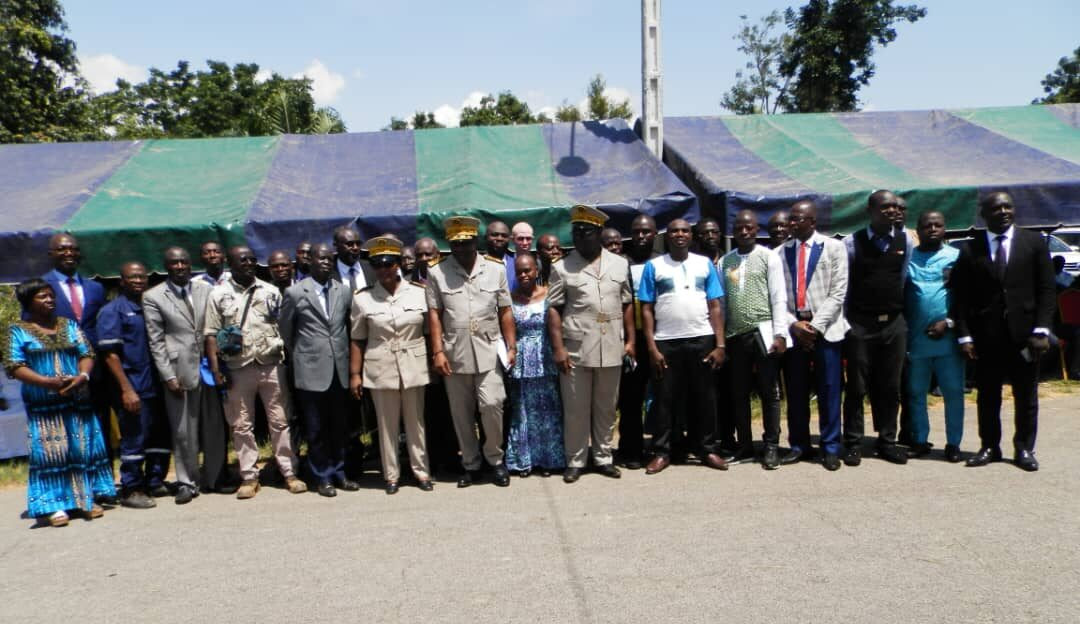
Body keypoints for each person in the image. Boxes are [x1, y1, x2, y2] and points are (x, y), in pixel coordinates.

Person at [952, 191, 1055, 471]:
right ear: (984, 214)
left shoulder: (1033, 242)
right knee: (987, 395)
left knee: (1026, 395)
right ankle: (989, 446)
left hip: (1026, 337)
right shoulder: (970, 249)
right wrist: (964, 335)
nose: (1003, 212)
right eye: (996, 208)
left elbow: (1047, 290)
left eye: (1007, 207)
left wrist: (1042, 330)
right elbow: (960, 297)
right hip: (987, 337)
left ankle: (1024, 448)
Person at [2, 279, 115, 527]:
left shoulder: (68, 325)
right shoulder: (17, 330)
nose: (50, 300)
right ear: (28, 301)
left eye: (51, 295)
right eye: (42, 296)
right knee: (51, 452)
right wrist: (46, 382)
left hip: (77, 398)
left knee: (81, 448)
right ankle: (54, 505)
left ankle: (86, 499)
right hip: (44, 404)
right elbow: (14, 365)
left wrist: (82, 376)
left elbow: (87, 353)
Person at [204, 246, 306, 498]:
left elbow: (282, 326)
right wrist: (216, 369)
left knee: (280, 421)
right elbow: (211, 334)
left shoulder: (270, 291)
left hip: (271, 363)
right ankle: (249, 477)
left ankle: (289, 472)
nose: (249, 263)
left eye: (252, 259)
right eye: (243, 260)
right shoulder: (218, 294)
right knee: (241, 424)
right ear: (231, 263)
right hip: (237, 367)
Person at [426, 216, 517, 488]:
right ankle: (471, 463)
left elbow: (505, 310)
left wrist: (511, 345)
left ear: (476, 241)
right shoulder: (437, 272)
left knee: (492, 404)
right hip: (455, 352)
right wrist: (437, 352)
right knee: (461, 413)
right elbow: (434, 314)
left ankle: (495, 459)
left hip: (489, 348)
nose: (461, 248)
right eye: (456, 244)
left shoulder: (495, 269)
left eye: (466, 243)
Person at [547, 205, 634, 483]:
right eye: (576, 232)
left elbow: (627, 303)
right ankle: (575, 460)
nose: (579, 237)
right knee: (576, 408)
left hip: (611, 343)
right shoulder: (561, 267)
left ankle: (603, 457)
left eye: (585, 232)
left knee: (606, 406)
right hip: (576, 347)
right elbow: (554, 309)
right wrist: (558, 348)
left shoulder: (619, 264)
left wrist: (631, 341)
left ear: (599, 233)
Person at [638, 218, 727, 474]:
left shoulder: (704, 264)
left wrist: (720, 344)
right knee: (665, 399)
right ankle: (662, 452)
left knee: (705, 397)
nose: (679, 234)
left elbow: (715, 306)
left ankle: (707, 449)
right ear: (667, 236)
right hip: (666, 341)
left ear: (691, 236)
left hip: (702, 338)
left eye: (685, 231)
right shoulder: (654, 266)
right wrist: (652, 348)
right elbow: (646, 309)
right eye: (674, 231)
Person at [143, 246, 231, 504]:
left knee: (215, 426)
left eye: (183, 262)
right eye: (174, 263)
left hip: (210, 367)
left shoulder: (206, 289)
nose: (180, 266)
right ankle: (186, 482)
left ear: (190, 264)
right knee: (183, 430)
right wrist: (168, 375)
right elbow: (156, 341)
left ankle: (215, 478)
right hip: (179, 370)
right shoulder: (153, 296)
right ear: (166, 266)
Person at [350, 237, 434, 494]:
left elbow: (429, 332)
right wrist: (355, 374)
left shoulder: (419, 292)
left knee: (415, 422)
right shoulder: (363, 298)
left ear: (398, 264)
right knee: (386, 425)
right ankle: (391, 475)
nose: (383, 269)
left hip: (413, 363)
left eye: (388, 264)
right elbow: (357, 338)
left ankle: (421, 471)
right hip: (381, 365)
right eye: (377, 265)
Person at [279, 243, 359, 497]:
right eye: (320, 258)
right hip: (311, 370)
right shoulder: (295, 292)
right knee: (316, 429)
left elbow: (349, 326)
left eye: (328, 258)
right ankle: (322, 476)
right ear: (309, 261)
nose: (325, 262)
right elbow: (286, 332)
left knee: (339, 426)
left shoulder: (343, 291)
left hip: (339, 369)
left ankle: (340, 472)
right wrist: (305, 355)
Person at [840, 190, 911, 466]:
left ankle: (887, 441)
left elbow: (902, 278)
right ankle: (853, 442)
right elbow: (844, 287)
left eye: (894, 206)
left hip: (893, 324)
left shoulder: (906, 240)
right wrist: (846, 324)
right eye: (885, 207)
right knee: (857, 387)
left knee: (890, 386)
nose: (892, 211)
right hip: (860, 324)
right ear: (870, 211)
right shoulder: (851, 243)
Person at [41, 233, 114, 501]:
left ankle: (102, 485)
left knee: (99, 426)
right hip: (60, 370)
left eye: (73, 248)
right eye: (62, 249)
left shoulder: (95, 288)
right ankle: (72, 489)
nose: (68, 253)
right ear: (51, 254)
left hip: (95, 370)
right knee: (66, 430)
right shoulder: (40, 287)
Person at [779, 200, 849, 471]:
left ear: (813, 221)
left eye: (798, 218)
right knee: (796, 391)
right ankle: (799, 445)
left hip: (826, 330)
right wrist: (795, 325)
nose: (792, 223)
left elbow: (838, 292)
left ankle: (830, 447)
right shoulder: (780, 252)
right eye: (791, 218)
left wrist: (814, 327)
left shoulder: (834, 247)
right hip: (795, 330)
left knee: (829, 390)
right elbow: (776, 297)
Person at [97, 262, 172, 508]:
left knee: (159, 435)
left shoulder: (150, 306)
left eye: (142, 277)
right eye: (132, 277)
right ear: (122, 281)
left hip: (157, 383)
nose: (138, 281)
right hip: (133, 385)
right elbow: (110, 354)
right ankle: (131, 488)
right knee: (134, 437)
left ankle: (154, 480)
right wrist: (126, 389)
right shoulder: (112, 311)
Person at [720, 210, 789, 469]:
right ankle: (745, 446)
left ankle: (771, 446)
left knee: (769, 392)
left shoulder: (768, 257)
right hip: (735, 335)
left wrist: (780, 334)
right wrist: (721, 339)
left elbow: (778, 297)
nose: (744, 231)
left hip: (764, 332)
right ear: (733, 231)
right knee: (739, 393)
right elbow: (722, 303)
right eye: (739, 227)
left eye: (749, 227)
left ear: (756, 229)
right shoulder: (725, 261)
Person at [904, 211, 965, 462]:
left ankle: (953, 444)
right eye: (926, 225)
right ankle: (920, 440)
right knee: (916, 392)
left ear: (945, 229)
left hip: (947, 338)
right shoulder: (908, 258)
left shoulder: (956, 257)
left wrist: (949, 323)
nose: (932, 229)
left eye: (937, 225)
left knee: (953, 392)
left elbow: (967, 299)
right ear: (917, 230)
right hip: (916, 339)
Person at [505, 253, 565, 477]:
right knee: (523, 411)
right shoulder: (510, 298)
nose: (523, 275)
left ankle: (549, 460)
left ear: (536, 271)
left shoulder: (549, 294)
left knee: (548, 410)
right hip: (521, 360)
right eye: (519, 272)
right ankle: (524, 460)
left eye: (527, 270)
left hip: (545, 357)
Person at [615, 214, 659, 470]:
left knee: (664, 396)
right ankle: (631, 449)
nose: (641, 236)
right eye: (636, 232)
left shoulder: (662, 261)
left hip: (659, 338)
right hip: (631, 340)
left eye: (646, 231)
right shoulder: (621, 263)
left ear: (655, 234)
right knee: (631, 398)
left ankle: (664, 445)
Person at [693, 216, 736, 455]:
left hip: (731, 334)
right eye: (704, 233)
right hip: (702, 335)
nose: (710, 236)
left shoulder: (730, 261)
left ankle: (728, 438)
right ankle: (703, 439)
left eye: (714, 232)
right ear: (697, 237)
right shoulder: (693, 263)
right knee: (703, 391)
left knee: (728, 390)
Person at [331, 225, 375, 292]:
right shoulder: (328, 273)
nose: (355, 248)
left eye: (358, 243)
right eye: (349, 244)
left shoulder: (373, 268)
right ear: (336, 246)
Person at [486, 220, 516, 292]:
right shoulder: (476, 264)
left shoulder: (517, 263)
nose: (499, 238)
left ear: (509, 239)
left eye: (504, 236)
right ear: (486, 237)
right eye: (494, 235)